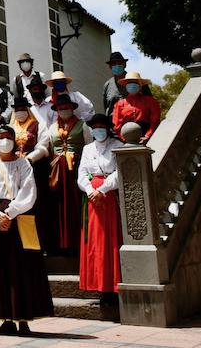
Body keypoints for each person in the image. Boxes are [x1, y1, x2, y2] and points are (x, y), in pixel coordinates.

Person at [0, 125, 55, 335]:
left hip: (20, 216)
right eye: (1, 137)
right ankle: (6, 318)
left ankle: (24, 318)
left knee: (23, 267)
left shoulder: (24, 164)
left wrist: (10, 213)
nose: (5, 141)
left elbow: (29, 191)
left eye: (8, 137)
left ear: (14, 139)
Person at [36, 94, 93, 256]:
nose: (63, 110)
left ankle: (77, 243)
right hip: (57, 171)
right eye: (60, 108)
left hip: (75, 169)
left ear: (72, 108)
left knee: (75, 204)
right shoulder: (52, 127)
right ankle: (59, 244)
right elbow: (50, 148)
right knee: (57, 205)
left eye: (66, 107)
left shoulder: (83, 125)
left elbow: (89, 146)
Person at [77, 114, 124, 307]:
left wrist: (102, 190)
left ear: (107, 128)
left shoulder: (118, 146)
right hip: (91, 198)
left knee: (108, 239)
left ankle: (112, 287)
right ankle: (98, 286)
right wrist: (90, 190)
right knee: (93, 241)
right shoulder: (87, 148)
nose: (98, 130)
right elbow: (81, 174)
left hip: (108, 195)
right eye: (94, 127)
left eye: (101, 126)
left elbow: (119, 172)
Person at [10, 96, 57, 254]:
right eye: (17, 110)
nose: (20, 112)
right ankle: (18, 245)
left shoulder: (39, 125)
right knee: (16, 205)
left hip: (35, 169)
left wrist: (29, 159)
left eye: (23, 109)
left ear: (28, 110)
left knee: (37, 205)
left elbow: (43, 146)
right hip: (13, 171)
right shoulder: (10, 127)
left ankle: (41, 245)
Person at [112, 72, 161, 144]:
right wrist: (125, 139)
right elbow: (117, 125)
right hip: (127, 139)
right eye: (129, 83)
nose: (132, 85)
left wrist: (148, 136)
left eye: (135, 82)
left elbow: (155, 121)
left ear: (140, 85)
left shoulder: (151, 101)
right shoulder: (119, 104)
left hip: (147, 138)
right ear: (126, 86)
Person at [102, 52, 152, 119]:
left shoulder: (137, 80)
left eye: (120, 63)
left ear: (125, 65)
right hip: (113, 122)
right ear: (110, 67)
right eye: (114, 64)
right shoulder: (107, 85)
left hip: (136, 120)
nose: (117, 66)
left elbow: (150, 103)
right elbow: (106, 107)